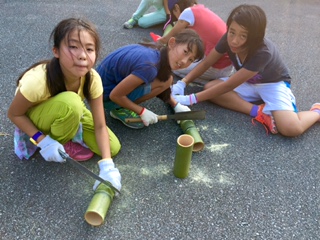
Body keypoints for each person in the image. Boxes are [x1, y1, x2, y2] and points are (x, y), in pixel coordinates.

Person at [7, 18, 122, 192]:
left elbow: (100, 125)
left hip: (68, 108)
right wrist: (43, 141)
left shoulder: (92, 78)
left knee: (112, 148)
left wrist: (107, 166)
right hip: (35, 116)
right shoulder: (37, 81)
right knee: (72, 103)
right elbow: (14, 114)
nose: (82, 55)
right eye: (73, 47)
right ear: (56, 51)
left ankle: (68, 128)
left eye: (89, 49)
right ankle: (61, 139)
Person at [171, 4, 320, 137]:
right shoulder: (227, 38)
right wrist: (183, 83)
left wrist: (190, 99)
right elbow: (207, 63)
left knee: (291, 128)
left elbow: (229, 86)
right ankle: (260, 112)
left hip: (272, 84)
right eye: (232, 32)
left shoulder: (263, 52)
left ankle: (316, 112)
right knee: (210, 88)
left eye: (243, 36)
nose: (234, 40)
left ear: (255, 37)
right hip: (248, 81)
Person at [96, 28, 205, 129]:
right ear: (172, 43)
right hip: (101, 97)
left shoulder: (157, 50)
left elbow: (164, 79)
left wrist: (176, 105)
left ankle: (123, 104)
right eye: (185, 52)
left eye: (191, 60)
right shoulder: (149, 67)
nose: (184, 61)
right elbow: (115, 95)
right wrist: (142, 111)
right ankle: (118, 109)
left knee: (167, 80)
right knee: (165, 81)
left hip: (98, 86)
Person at [157, 0, 233, 84]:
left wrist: (156, 44)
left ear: (176, 8)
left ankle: (206, 81)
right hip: (228, 65)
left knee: (173, 65)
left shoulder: (187, 13)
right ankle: (211, 79)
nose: (177, 20)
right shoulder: (200, 9)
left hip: (217, 67)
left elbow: (166, 39)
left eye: (175, 17)